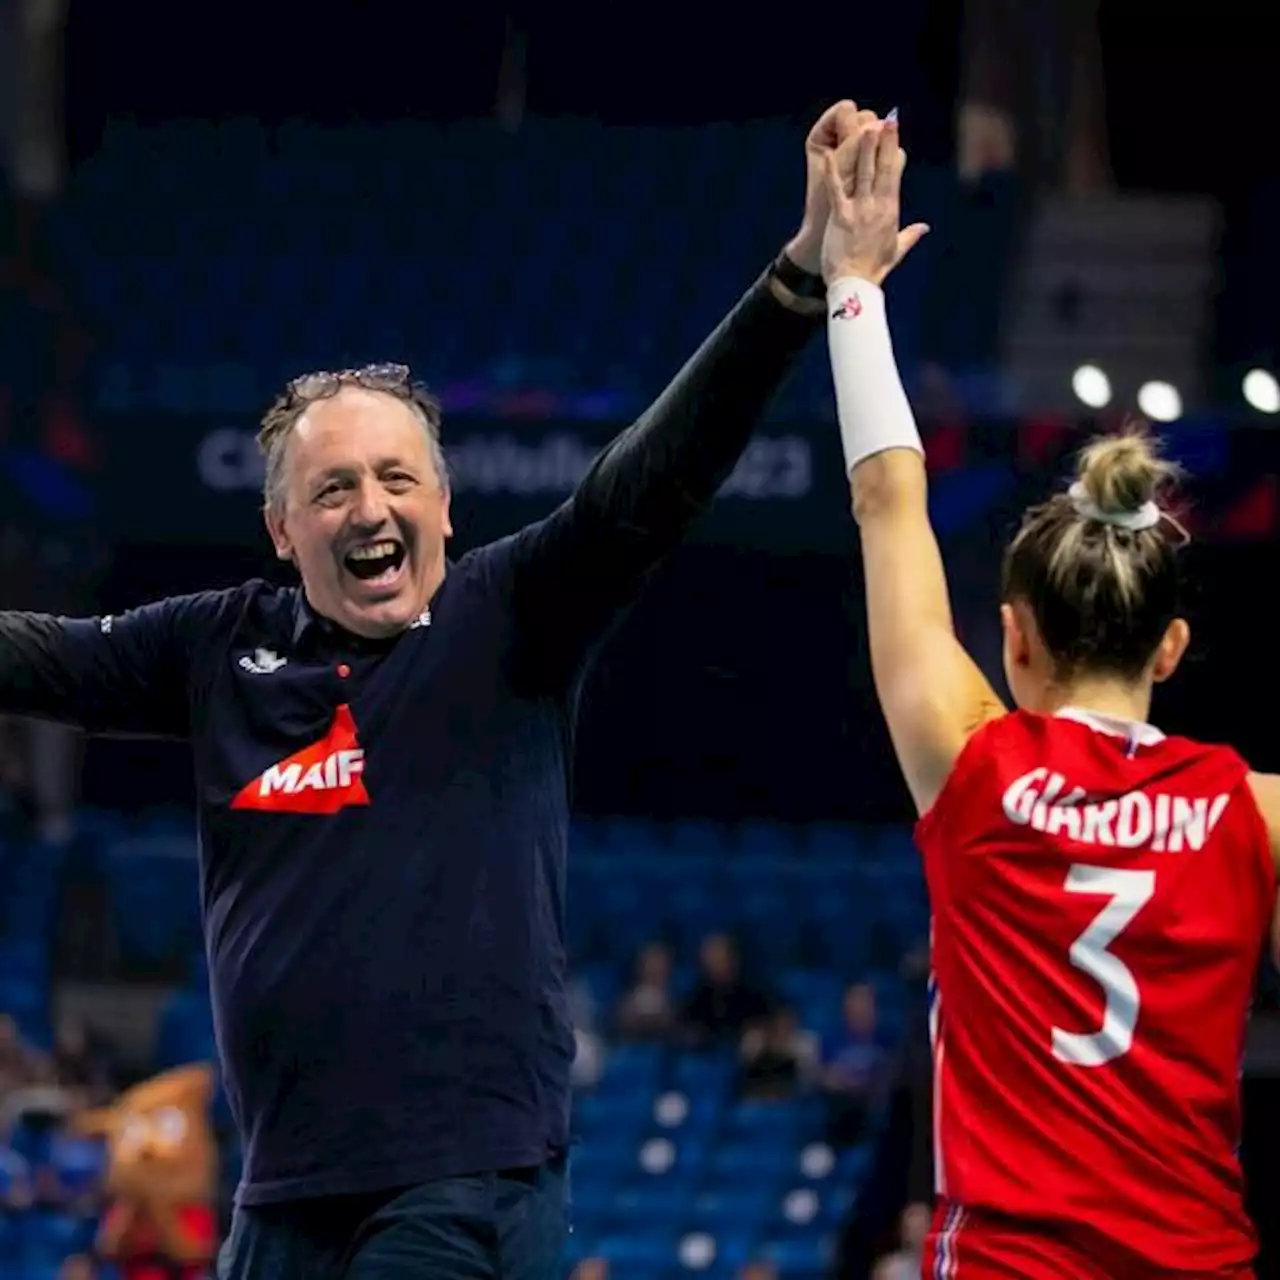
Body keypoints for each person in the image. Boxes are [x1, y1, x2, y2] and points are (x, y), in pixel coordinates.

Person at [0, 100, 876, 1280]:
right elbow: (29, 652)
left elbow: (645, 484)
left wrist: (787, 290)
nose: (369, 508)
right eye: (334, 487)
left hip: (462, 1184)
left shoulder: (505, 616)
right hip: (277, 1196)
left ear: (446, 507)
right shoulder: (216, 648)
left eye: (397, 477)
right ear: (279, 527)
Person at [820, 117, 1280, 1277]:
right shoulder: (1255, 814)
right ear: (1170, 646)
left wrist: (851, 284)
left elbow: (887, 502)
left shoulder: (973, 766)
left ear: (1010, 639)